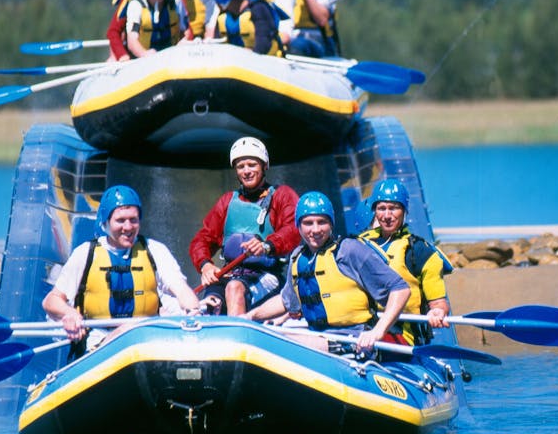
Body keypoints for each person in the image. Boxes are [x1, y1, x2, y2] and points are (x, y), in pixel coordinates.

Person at [243, 191, 411, 354]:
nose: (315, 230)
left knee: (275, 342)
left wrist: (377, 332)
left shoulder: (349, 250)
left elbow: (400, 289)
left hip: (351, 340)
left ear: (331, 224)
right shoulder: (298, 257)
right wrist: (249, 316)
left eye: (322, 222)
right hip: (317, 335)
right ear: (298, 226)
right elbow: (286, 301)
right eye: (308, 223)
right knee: (266, 336)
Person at [43, 185, 201, 351]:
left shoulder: (155, 250)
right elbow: (51, 301)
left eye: (133, 220)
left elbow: (181, 289)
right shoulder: (85, 253)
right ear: (106, 222)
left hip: (147, 335)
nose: (128, 227)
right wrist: (70, 313)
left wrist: (194, 311)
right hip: (98, 340)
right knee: (126, 331)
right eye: (120, 220)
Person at [189, 137, 300, 316]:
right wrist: (205, 265)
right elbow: (202, 239)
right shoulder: (227, 201)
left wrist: (266, 246)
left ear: (264, 166)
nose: (246, 171)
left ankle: (239, 338)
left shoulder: (282, 196)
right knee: (208, 305)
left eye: (252, 165)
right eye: (241, 166)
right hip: (230, 272)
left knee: (234, 289)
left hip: (267, 275)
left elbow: (293, 231)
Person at [358, 178, 453, 345]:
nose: (387, 215)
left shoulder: (420, 252)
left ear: (404, 210)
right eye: (381, 209)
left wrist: (437, 312)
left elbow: (438, 302)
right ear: (374, 212)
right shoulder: (360, 245)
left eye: (394, 208)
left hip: (402, 333)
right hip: (362, 325)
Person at [208, 0, 284, 55]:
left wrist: (241, 55)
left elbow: (264, 44)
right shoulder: (224, 16)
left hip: (266, 63)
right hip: (236, 63)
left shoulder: (259, 9)